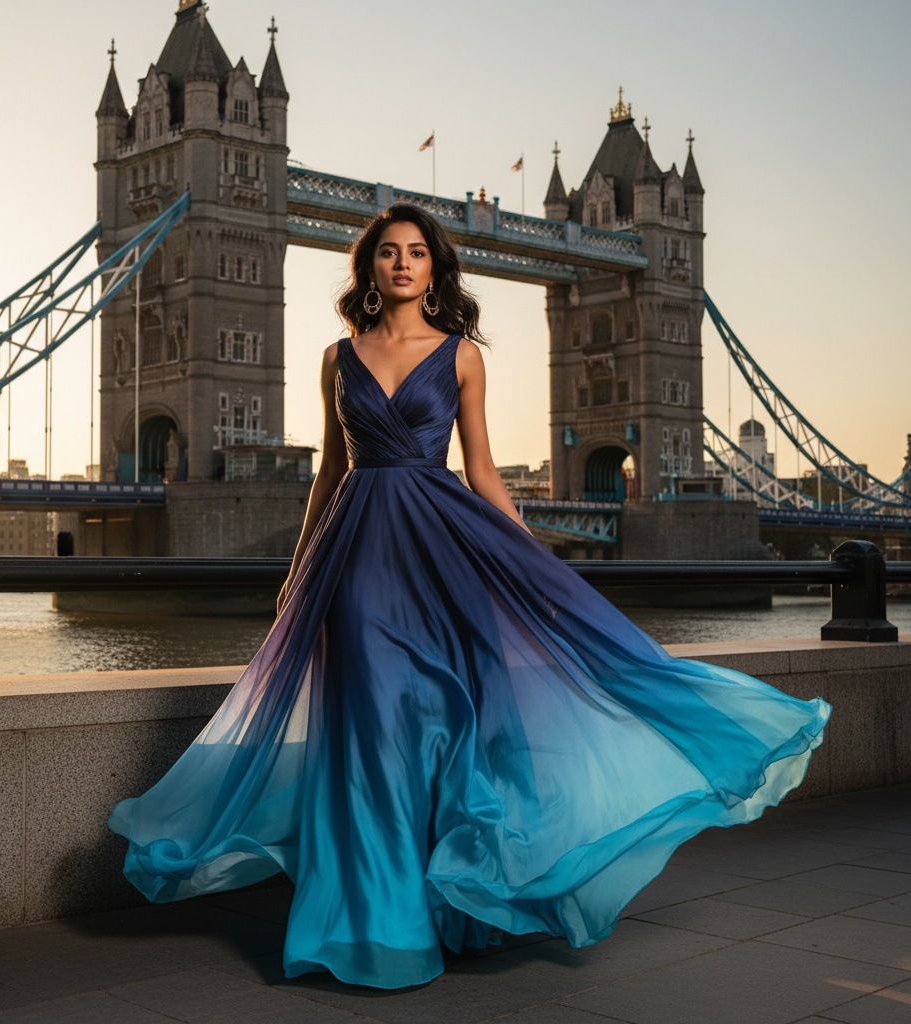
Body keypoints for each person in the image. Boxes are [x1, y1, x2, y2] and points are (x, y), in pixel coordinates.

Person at [109, 204, 830, 990]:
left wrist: (531, 563)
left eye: (418, 253)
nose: (404, 264)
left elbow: (482, 468)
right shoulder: (335, 357)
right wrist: (298, 565)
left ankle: (452, 902)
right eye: (389, 252)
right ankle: (373, 924)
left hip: (442, 553)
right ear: (370, 268)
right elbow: (330, 472)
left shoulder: (461, 358)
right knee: (368, 737)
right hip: (355, 560)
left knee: (444, 726)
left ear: (434, 268)